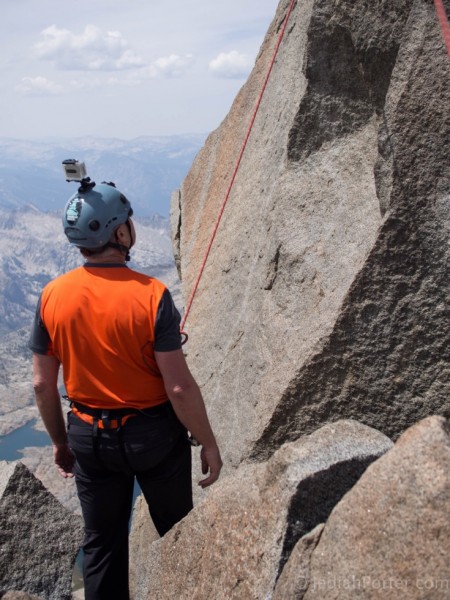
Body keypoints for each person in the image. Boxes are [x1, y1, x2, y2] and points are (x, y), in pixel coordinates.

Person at [29, 179, 222, 600]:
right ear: (119, 233)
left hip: (87, 437)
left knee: (101, 545)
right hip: (152, 436)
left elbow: (43, 383)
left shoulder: (52, 296)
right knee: (179, 532)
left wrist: (62, 444)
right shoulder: (151, 296)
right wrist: (208, 442)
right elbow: (178, 386)